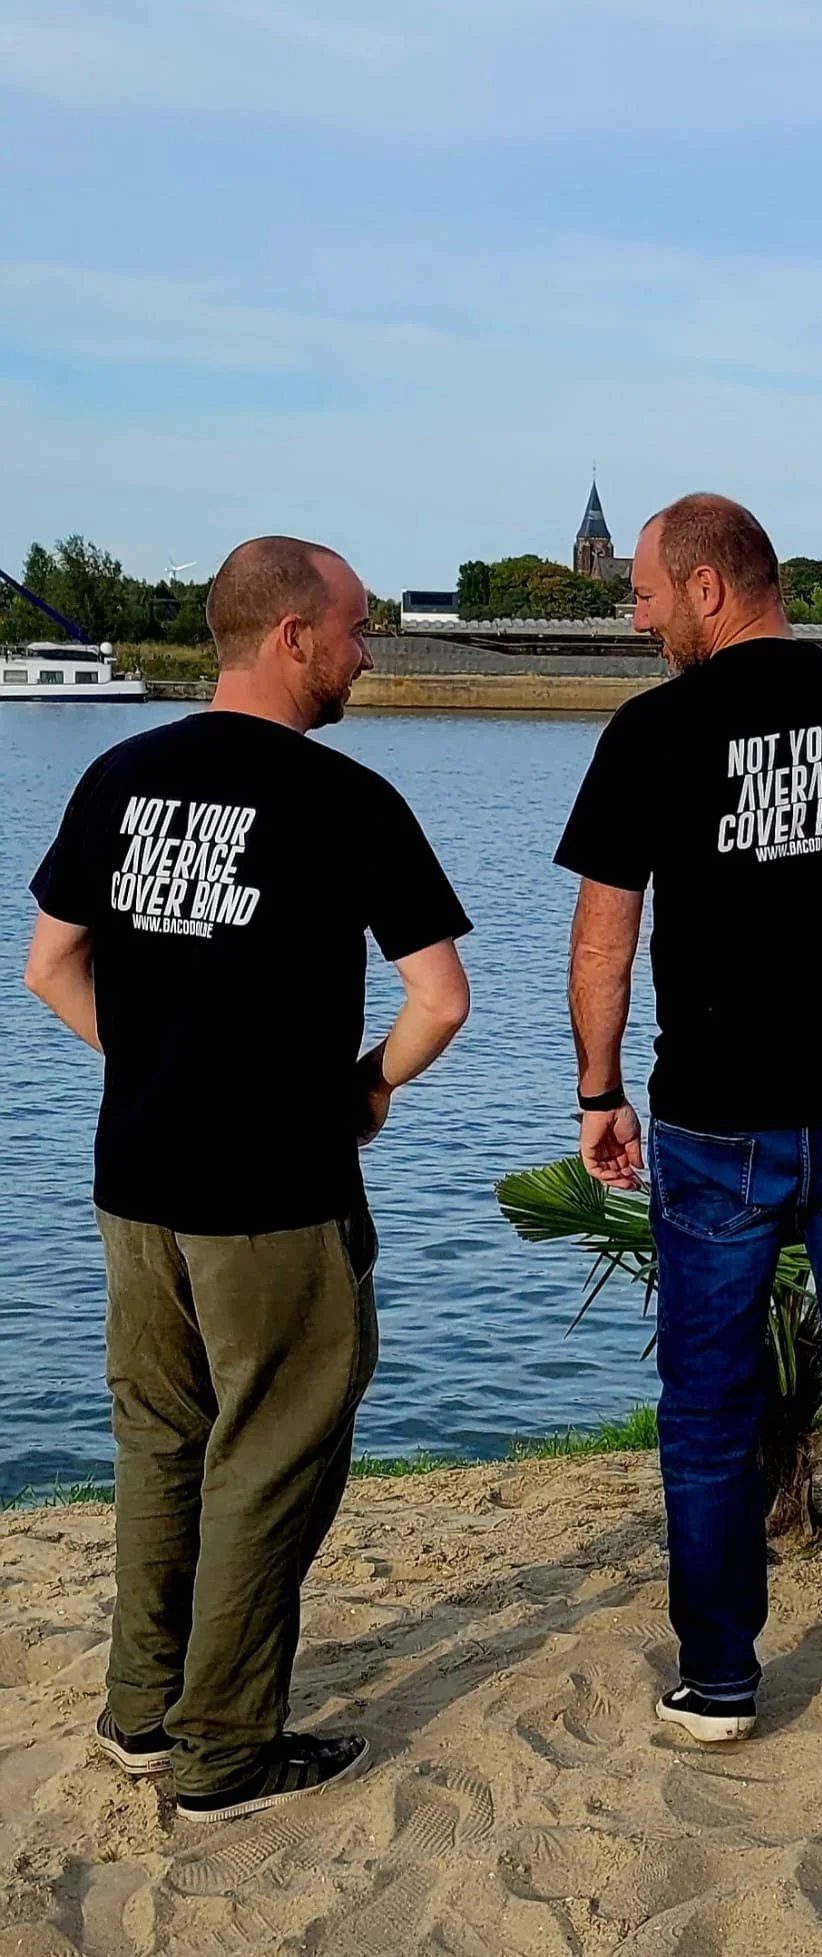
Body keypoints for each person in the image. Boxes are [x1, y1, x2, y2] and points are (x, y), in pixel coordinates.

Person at [24, 537, 472, 1817]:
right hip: (275, 1190)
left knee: (160, 1443)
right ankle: (228, 1751)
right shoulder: (347, 800)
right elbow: (438, 999)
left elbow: (50, 968)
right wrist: (371, 1082)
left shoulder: (122, 774)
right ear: (291, 635)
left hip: (137, 1179)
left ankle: (140, 1714)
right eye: (355, 627)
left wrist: (164, 1059)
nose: (368, 649)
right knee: (272, 1454)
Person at [556, 493, 822, 1743]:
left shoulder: (651, 729)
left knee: (705, 1405)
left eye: (642, 593)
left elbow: (602, 936)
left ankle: (723, 1681)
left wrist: (598, 1089)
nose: (634, 617)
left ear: (706, 587)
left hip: (717, 1116)